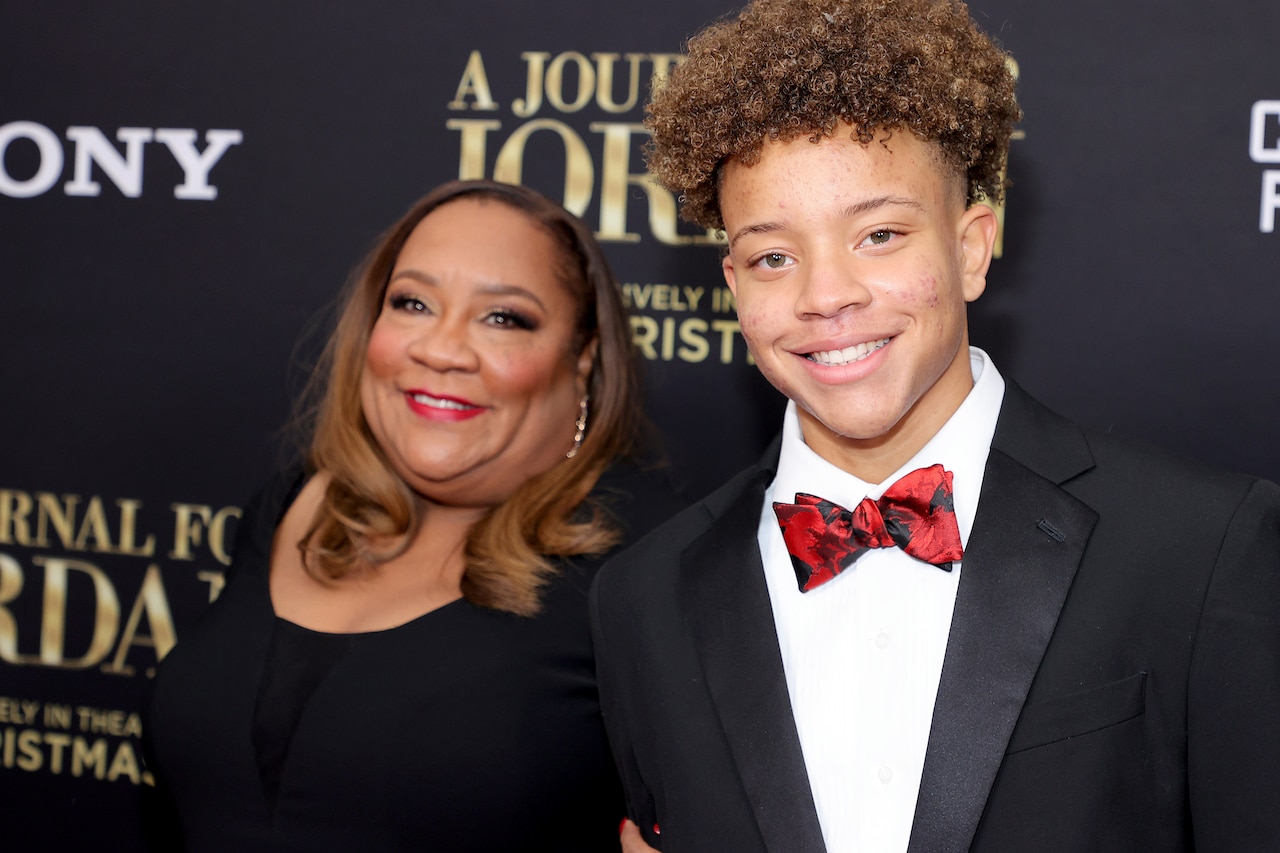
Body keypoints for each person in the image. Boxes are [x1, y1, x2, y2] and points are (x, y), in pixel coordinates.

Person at [592, 1, 1280, 851]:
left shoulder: (1201, 547)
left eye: (878, 234)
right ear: (734, 285)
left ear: (972, 248)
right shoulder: (644, 599)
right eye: (775, 255)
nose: (825, 295)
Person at [145, 179, 678, 852]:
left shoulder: (651, 565)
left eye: (503, 317)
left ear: (583, 359)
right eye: (413, 303)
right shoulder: (293, 505)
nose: (441, 348)